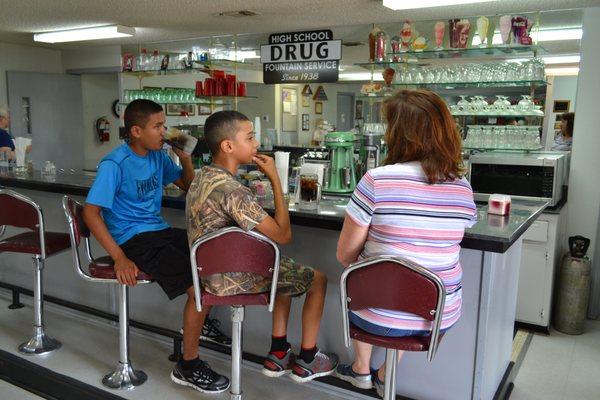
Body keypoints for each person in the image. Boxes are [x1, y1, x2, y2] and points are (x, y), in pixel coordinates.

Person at [334, 90, 477, 397]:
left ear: (398, 133)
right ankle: (386, 373)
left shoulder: (377, 180)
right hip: (437, 318)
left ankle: (361, 368)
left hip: (379, 318)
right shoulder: (463, 188)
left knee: (365, 278)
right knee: (411, 285)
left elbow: (344, 254)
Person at [83, 99, 230, 394]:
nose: (164, 132)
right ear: (136, 130)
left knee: (211, 252)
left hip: (158, 232)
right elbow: (90, 213)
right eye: (158, 126)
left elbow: (189, 186)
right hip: (133, 240)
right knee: (198, 289)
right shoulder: (115, 163)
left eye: (164, 125)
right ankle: (188, 365)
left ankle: (199, 322)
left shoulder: (157, 156)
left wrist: (185, 158)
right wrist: (119, 257)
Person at [186, 110, 338, 383]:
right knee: (316, 279)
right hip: (234, 280)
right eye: (250, 137)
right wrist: (275, 178)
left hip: (205, 276)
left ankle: (279, 351)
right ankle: (307, 357)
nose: (256, 144)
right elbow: (283, 234)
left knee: (284, 269)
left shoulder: (202, 177)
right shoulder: (233, 191)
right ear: (228, 146)